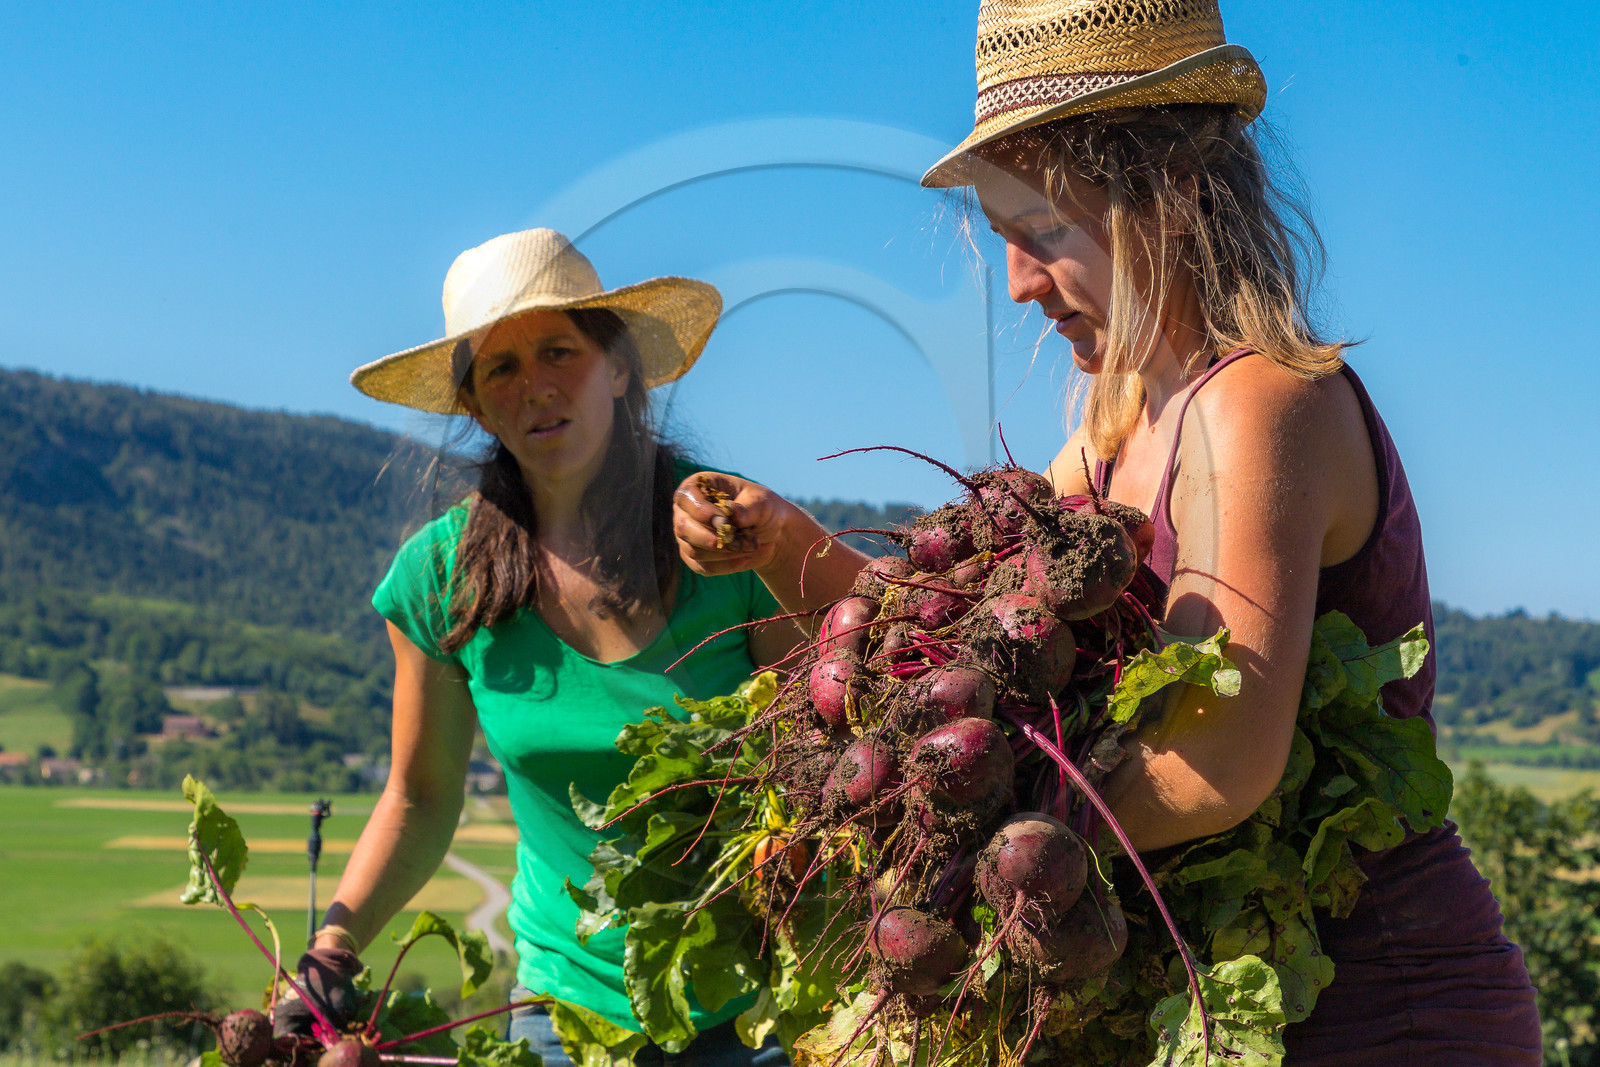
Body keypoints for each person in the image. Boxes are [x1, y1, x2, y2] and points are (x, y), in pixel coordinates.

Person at [675, 2, 1542, 1062]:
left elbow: (1215, 760)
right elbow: (952, 648)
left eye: (1040, 231)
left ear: (1168, 190)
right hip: (1219, 1002)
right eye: (1003, 237)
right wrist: (778, 543)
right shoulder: (1113, 423)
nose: (1018, 283)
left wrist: (938, 841)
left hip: (1381, 1006)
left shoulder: (1259, 404)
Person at [300, 228, 825, 1067]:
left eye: (558, 351)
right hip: (566, 1013)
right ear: (477, 404)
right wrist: (335, 944)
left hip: (759, 1003)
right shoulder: (440, 577)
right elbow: (420, 797)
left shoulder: (730, 537)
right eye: (501, 368)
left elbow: (821, 750)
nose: (535, 386)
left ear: (618, 368)